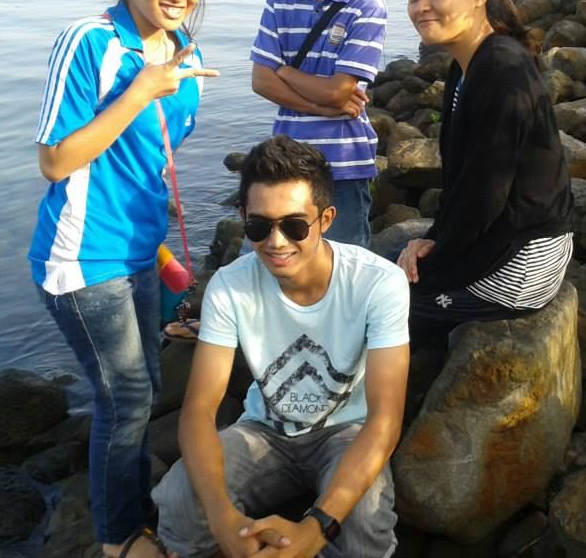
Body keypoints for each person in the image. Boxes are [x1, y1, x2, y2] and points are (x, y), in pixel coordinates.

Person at [28, 0, 219, 558]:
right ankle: (118, 539)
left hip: (141, 252)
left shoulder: (186, 52)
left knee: (144, 390)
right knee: (128, 397)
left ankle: (133, 506)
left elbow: (152, 155)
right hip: (84, 257)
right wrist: (140, 91)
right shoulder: (89, 42)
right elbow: (55, 160)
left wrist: (160, 228)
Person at [152, 135, 410, 558]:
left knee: (364, 521)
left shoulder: (378, 283)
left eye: (294, 225)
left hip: (347, 432)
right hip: (264, 430)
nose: (276, 242)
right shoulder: (230, 287)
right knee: (181, 498)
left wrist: (318, 527)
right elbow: (198, 410)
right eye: (259, 226)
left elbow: (385, 419)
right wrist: (222, 518)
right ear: (242, 217)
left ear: (326, 219)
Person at [397, 0, 574, 347]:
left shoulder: (502, 71)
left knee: (375, 304)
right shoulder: (465, 67)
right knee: (385, 273)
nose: (421, 7)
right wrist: (431, 239)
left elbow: (484, 196)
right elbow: (463, 183)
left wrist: (435, 258)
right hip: (497, 235)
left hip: (523, 259)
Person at [249, 0, 386, 249]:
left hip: (344, 164)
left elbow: (339, 91)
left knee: (343, 263)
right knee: (278, 258)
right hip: (287, 161)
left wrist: (285, 71)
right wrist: (323, 106)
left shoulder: (367, 6)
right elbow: (261, 81)